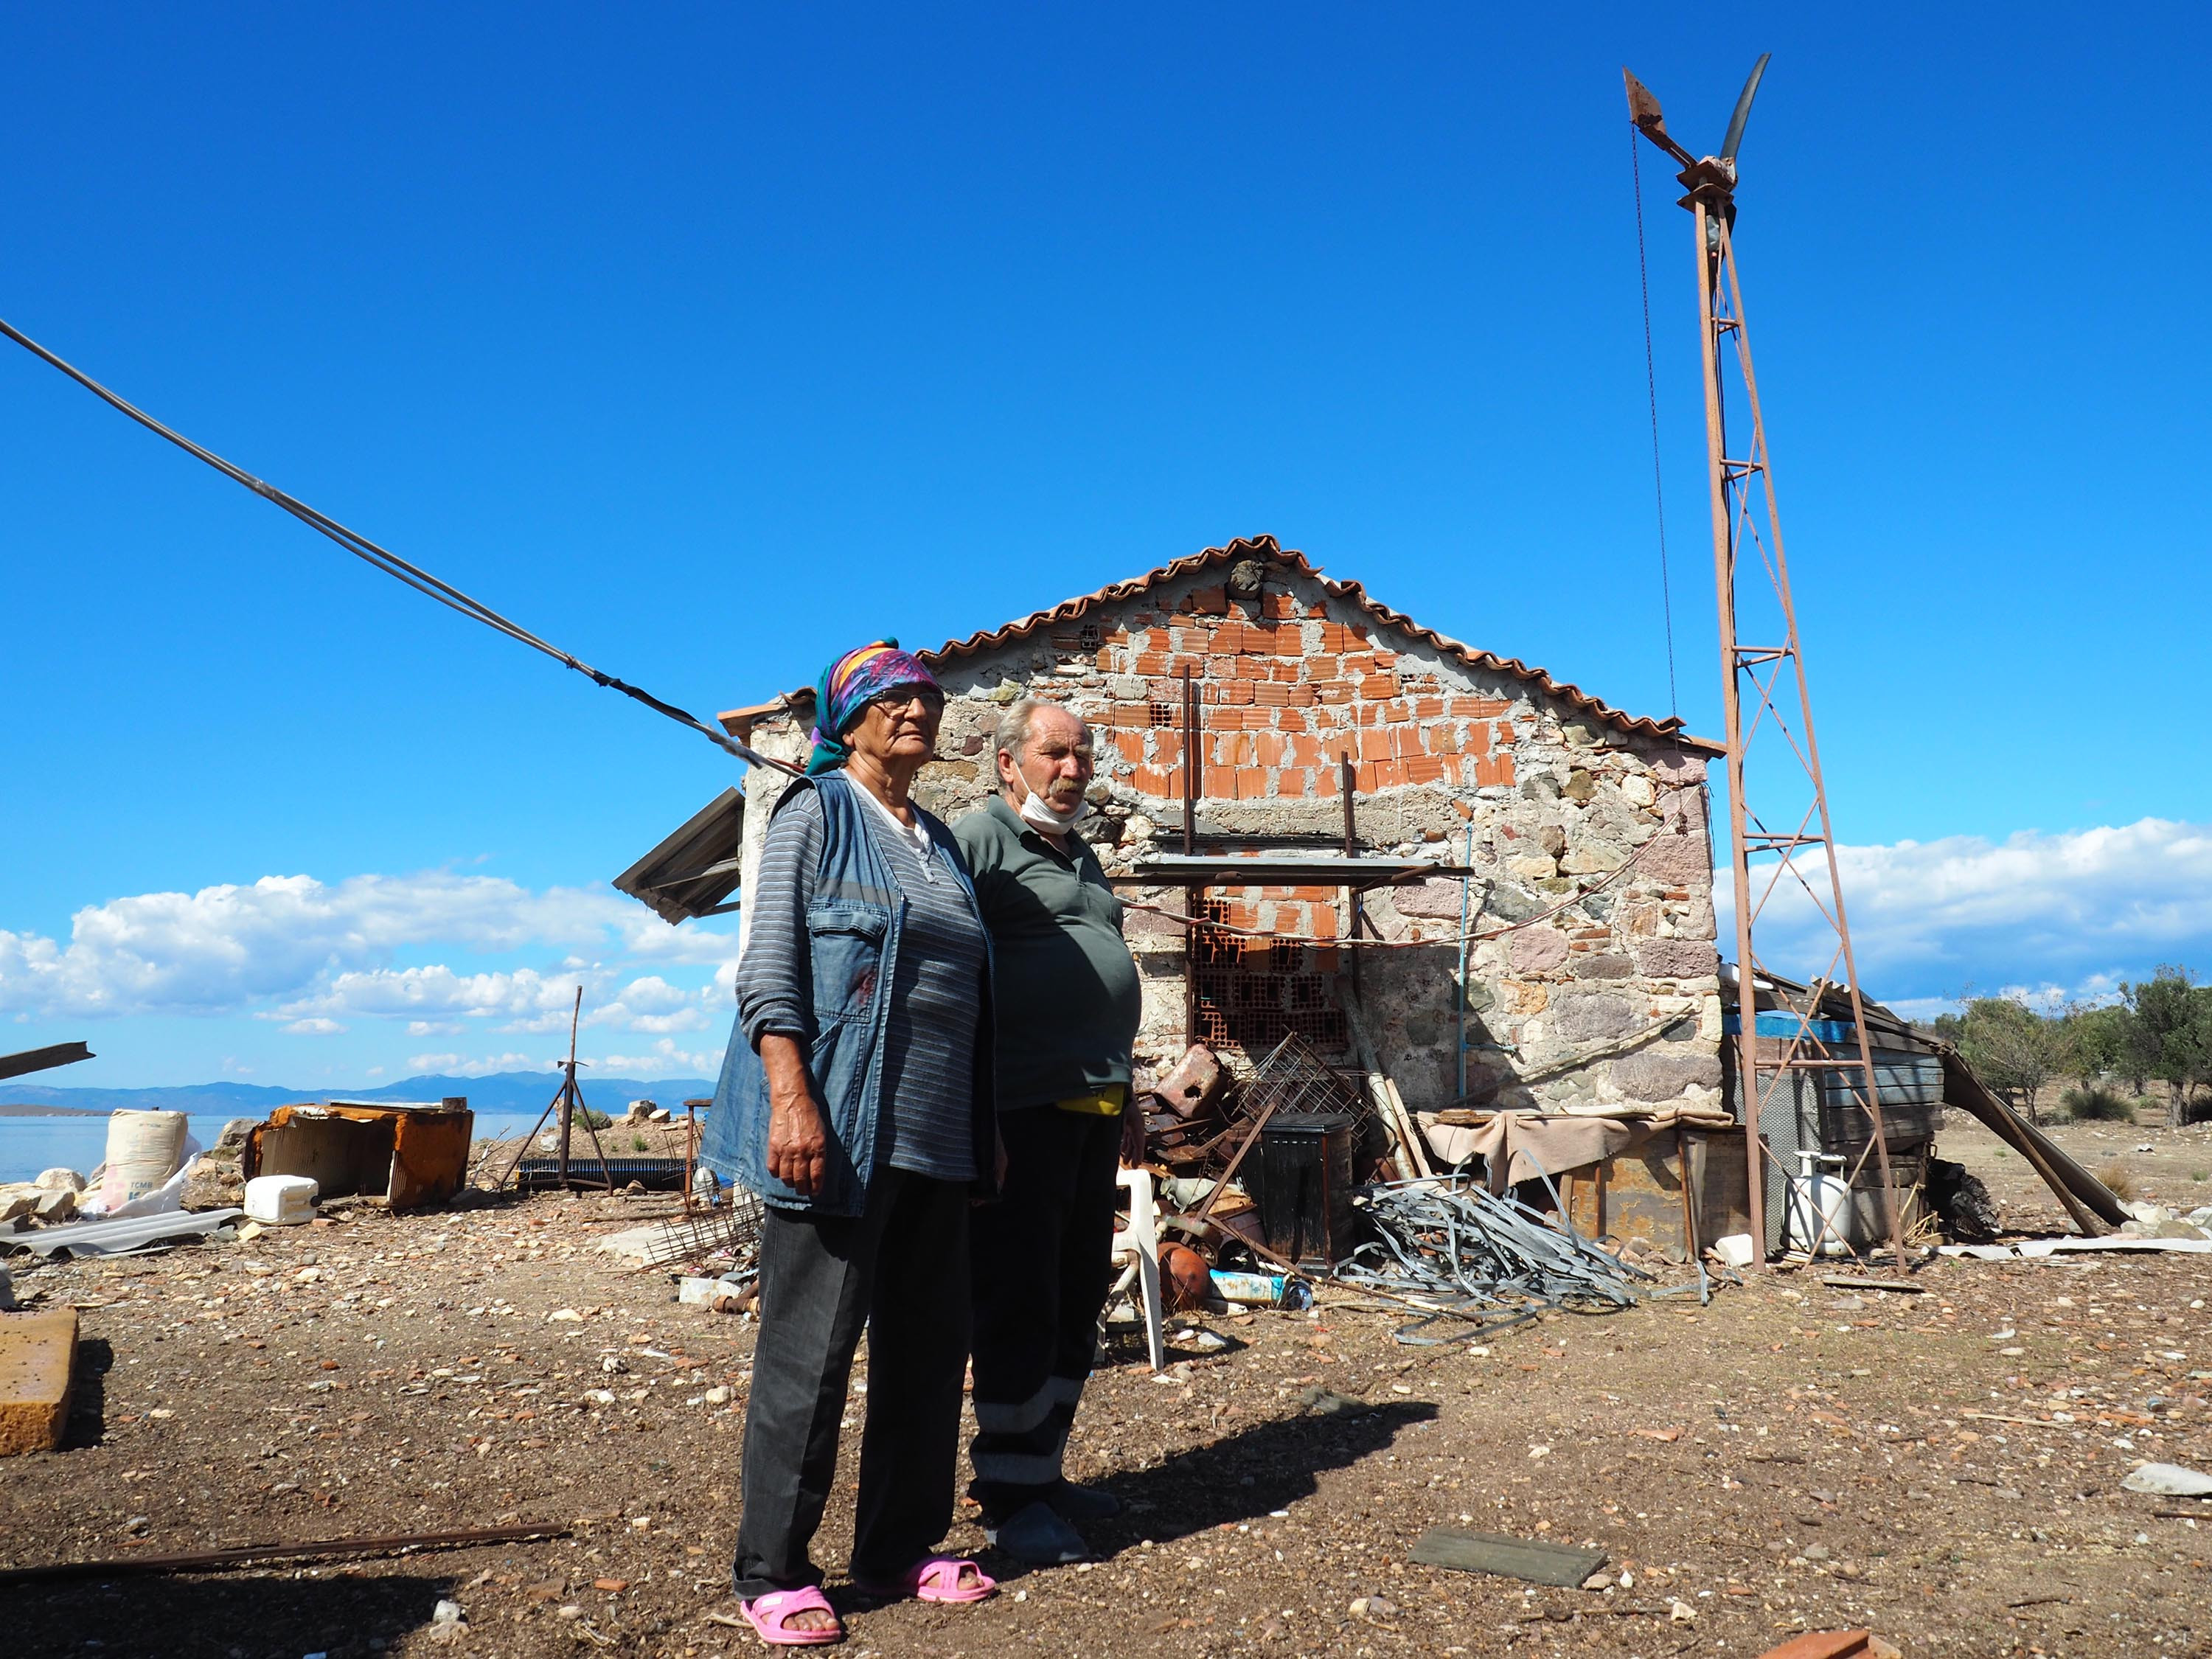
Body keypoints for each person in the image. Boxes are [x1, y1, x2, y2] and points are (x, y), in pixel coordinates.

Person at [700, 640, 1000, 1645]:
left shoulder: (941, 841)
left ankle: (898, 1547)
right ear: (851, 718)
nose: (917, 711)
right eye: (894, 699)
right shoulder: (815, 813)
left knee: (926, 1351)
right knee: (811, 1355)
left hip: (937, 1139)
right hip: (841, 1131)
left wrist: (984, 1125)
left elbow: (969, 1000)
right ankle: (772, 1570)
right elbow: (770, 967)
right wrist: (793, 1101)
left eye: (926, 698)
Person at [953, 698, 1145, 1564]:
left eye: (1083, 755)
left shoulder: (1084, 855)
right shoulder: (978, 839)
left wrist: (1129, 1086)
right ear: (1009, 763)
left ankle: (1045, 1467)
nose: (1072, 770)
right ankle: (1007, 1496)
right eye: (1054, 754)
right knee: (1019, 1297)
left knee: (1074, 1296)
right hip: (1023, 1105)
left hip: (1095, 1102)